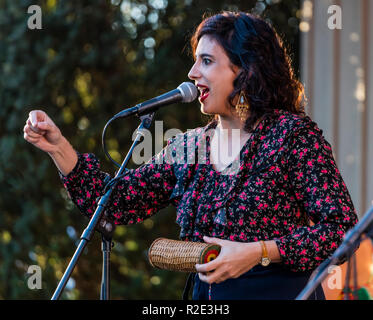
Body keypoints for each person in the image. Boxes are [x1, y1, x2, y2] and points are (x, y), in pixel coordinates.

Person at [23, 11, 358, 300]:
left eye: (207, 61)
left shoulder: (292, 136)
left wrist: (259, 252)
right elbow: (114, 203)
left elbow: (342, 231)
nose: (192, 73)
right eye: (195, 60)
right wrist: (59, 147)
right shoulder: (189, 147)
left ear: (246, 71)